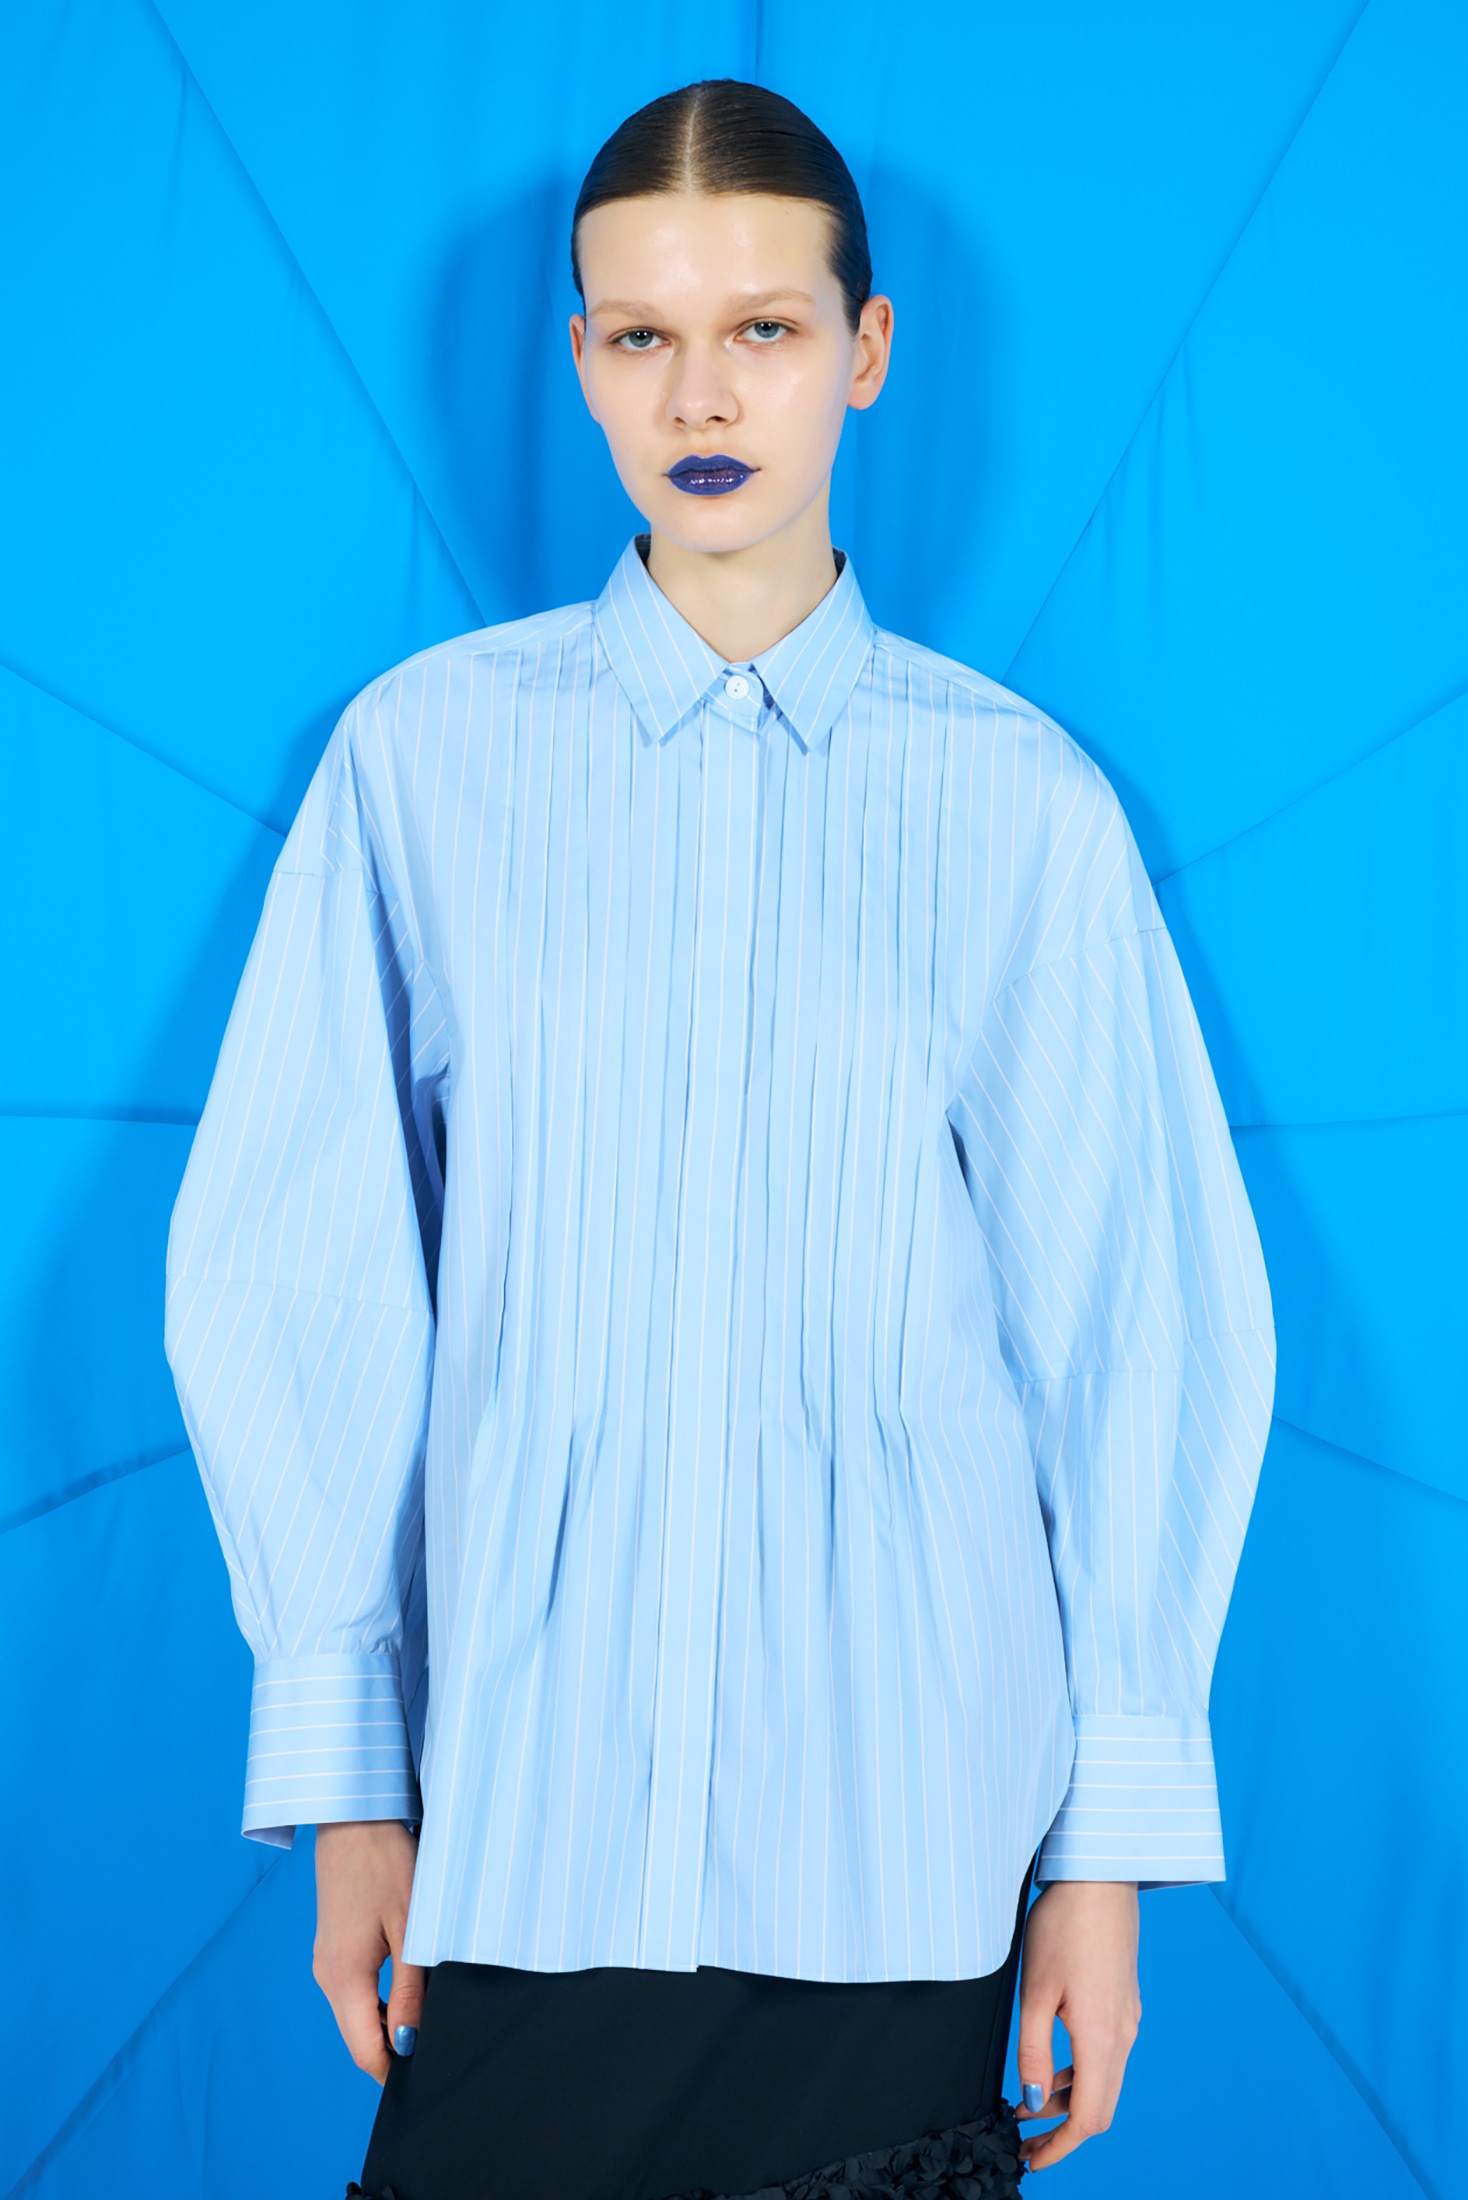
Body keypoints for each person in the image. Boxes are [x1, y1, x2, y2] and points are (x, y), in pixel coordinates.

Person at [165, 78, 1274, 2200]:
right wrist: (351, 1781)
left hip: (903, 1836)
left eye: (764, 328)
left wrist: (1104, 1859)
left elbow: (1135, 1330)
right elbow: (297, 1277)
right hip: (530, 1809)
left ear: (865, 351)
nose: (701, 394)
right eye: (641, 334)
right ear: (578, 357)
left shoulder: (1023, 807)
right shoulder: (420, 766)